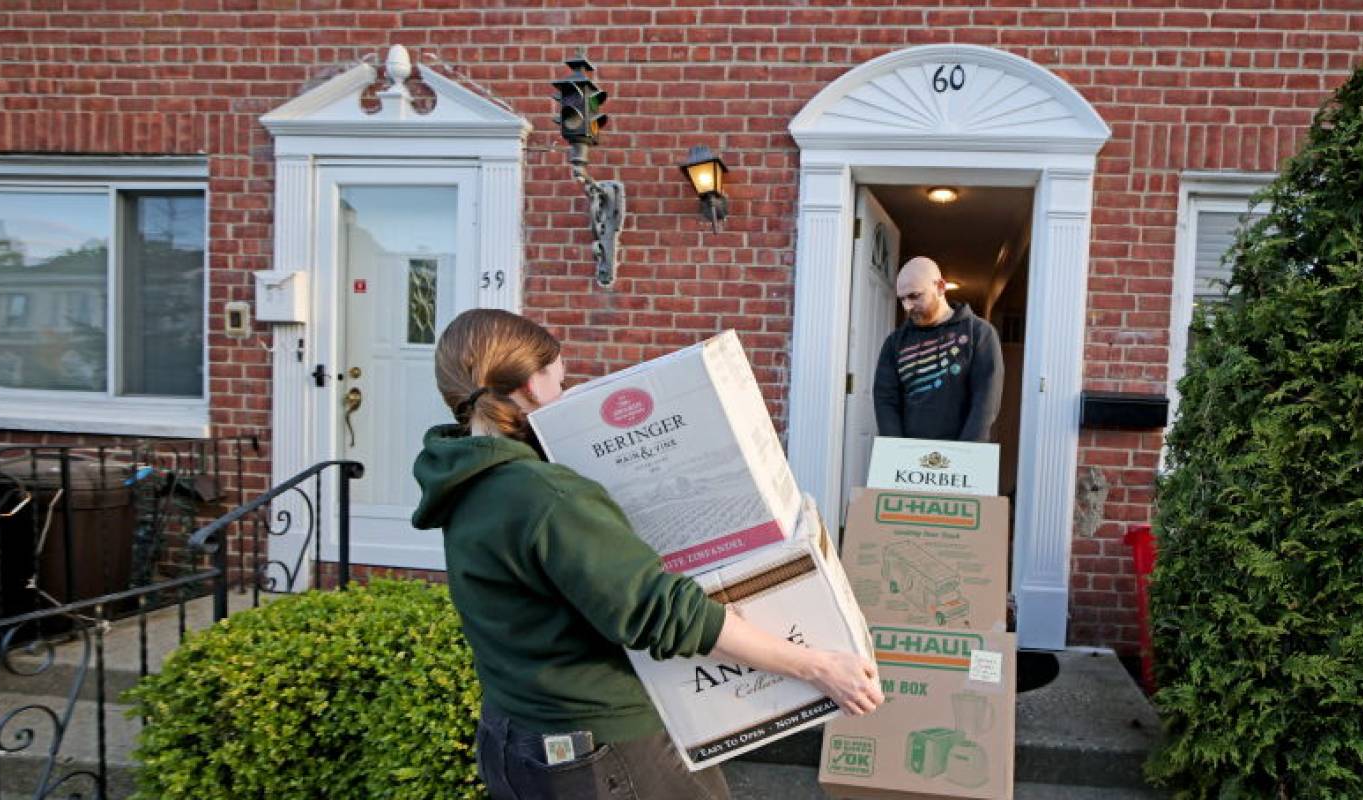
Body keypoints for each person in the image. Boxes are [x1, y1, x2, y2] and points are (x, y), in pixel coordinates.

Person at [412, 308, 883, 800]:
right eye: (559, 381)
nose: (565, 394)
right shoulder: (547, 495)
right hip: (597, 746)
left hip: (512, 737)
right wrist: (819, 667)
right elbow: (662, 615)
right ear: (531, 386)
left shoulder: (466, 480)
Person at [873, 256, 1006, 442]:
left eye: (914, 296)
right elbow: (885, 400)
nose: (907, 306)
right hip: (907, 456)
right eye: (902, 299)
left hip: (961, 457)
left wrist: (964, 452)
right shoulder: (895, 342)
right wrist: (897, 448)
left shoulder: (980, 333)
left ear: (940, 287)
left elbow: (985, 402)